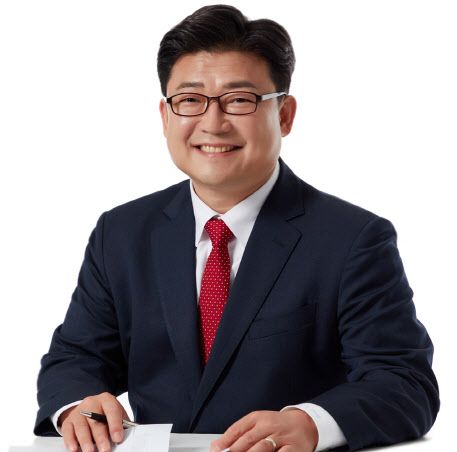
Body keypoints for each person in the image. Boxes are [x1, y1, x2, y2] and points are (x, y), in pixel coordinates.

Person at [34, 4, 439, 452]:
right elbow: (76, 357)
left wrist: (311, 423)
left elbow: (404, 383)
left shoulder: (353, 239)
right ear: (166, 116)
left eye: (240, 100)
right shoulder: (122, 233)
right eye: (190, 100)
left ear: (284, 115)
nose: (213, 123)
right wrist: (77, 406)